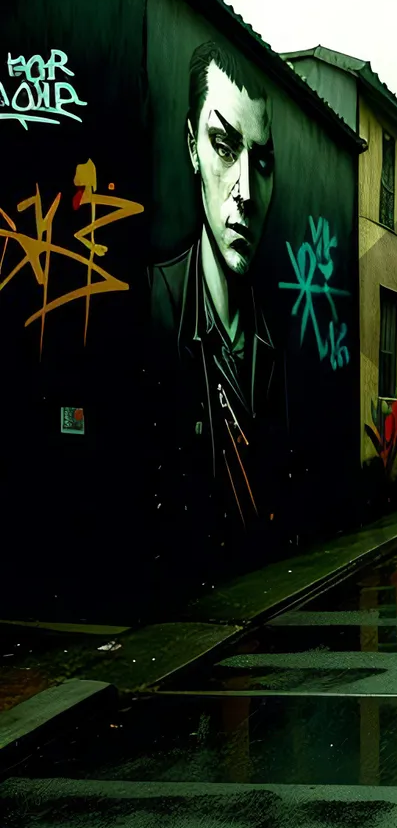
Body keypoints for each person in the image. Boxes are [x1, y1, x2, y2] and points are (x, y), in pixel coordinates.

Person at [149, 41, 289, 554]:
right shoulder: (155, 309)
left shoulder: (272, 347)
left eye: (263, 161)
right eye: (224, 146)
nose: (246, 191)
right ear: (192, 146)